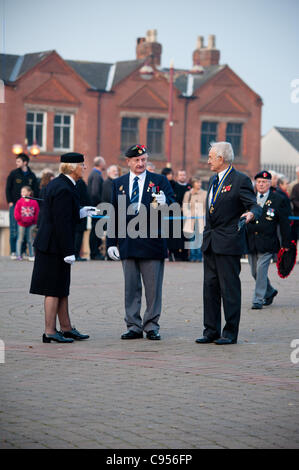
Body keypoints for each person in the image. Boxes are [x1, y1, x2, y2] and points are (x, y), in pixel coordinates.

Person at [106, 144, 175, 340]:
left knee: (153, 288)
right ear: (128, 162)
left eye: (143, 159)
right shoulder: (118, 183)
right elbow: (114, 213)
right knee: (131, 287)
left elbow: (173, 203)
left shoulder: (159, 180)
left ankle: (151, 325)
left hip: (152, 242)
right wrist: (112, 242)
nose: (140, 163)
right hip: (127, 242)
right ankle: (133, 325)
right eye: (136, 160)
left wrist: (166, 203)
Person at [195, 142, 261, 345]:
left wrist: (250, 214)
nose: (207, 161)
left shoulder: (239, 180)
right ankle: (211, 331)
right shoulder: (213, 179)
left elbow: (253, 205)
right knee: (210, 288)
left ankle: (230, 333)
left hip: (229, 243)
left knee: (229, 289)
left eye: (210, 157)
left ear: (221, 159)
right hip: (211, 243)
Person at [30, 152, 95, 343]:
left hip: (53, 243)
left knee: (61, 288)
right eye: (82, 165)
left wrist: (81, 212)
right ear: (73, 167)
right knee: (52, 288)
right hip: (53, 246)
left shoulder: (63, 184)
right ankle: (50, 331)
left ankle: (66, 328)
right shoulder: (64, 187)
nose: (84, 168)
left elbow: (64, 213)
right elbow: (61, 223)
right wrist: (69, 251)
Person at [247, 171, 291, 309]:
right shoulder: (249, 198)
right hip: (251, 241)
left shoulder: (278, 199)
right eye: (259, 182)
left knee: (261, 270)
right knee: (254, 272)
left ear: (270, 183)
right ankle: (270, 291)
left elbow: (284, 223)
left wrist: (286, 243)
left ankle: (258, 299)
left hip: (267, 241)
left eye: (264, 182)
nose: (261, 184)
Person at [6, 153, 39, 259]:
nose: (17, 163)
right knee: (14, 229)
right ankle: (14, 251)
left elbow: (36, 190)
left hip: (28, 207)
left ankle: (23, 251)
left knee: (27, 230)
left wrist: (35, 203)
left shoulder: (32, 175)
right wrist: (10, 201)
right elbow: (8, 188)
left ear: (25, 162)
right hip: (16, 205)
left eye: (19, 161)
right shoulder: (13, 174)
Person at [182, 177, 207, 262]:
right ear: (193, 184)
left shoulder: (205, 193)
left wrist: (202, 215)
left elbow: (207, 207)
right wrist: (189, 215)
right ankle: (192, 257)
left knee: (200, 239)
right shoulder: (188, 194)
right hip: (191, 220)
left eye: (200, 182)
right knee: (192, 239)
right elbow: (185, 206)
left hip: (201, 220)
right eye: (197, 183)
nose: (199, 184)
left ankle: (199, 257)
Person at [14, 186, 39, 261]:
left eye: (24, 191)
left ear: (29, 192)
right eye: (21, 192)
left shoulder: (34, 202)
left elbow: (37, 213)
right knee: (20, 239)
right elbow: (16, 212)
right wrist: (20, 220)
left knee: (30, 240)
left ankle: (31, 255)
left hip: (31, 224)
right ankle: (18, 255)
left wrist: (34, 221)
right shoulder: (19, 201)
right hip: (21, 224)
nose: (22, 193)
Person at [88, 156, 106, 260]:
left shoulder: (95, 174)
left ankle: (95, 252)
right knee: (96, 230)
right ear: (100, 164)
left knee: (96, 229)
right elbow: (95, 192)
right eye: (104, 162)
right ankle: (94, 253)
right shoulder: (96, 175)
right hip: (96, 207)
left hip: (95, 206)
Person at [74, 177, 91, 261]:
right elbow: (85, 196)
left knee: (78, 234)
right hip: (81, 211)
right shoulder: (80, 182)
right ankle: (76, 254)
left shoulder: (78, 182)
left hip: (79, 210)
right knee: (78, 234)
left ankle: (76, 254)